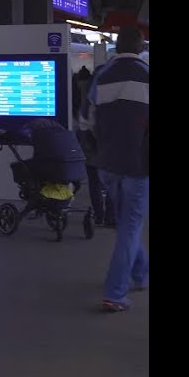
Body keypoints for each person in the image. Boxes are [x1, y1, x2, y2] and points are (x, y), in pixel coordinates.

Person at [79, 27, 149, 313]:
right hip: (138, 164)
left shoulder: (102, 76)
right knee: (130, 227)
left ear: (116, 48)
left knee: (126, 224)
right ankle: (115, 293)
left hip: (107, 164)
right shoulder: (147, 75)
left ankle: (140, 274)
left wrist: (101, 147)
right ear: (141, 46)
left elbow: (84, 121)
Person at [73, 66, 114, 227]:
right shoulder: (111, 95)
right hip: (107, 145)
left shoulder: (88, 93)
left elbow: (83, 120)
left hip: (90, 143)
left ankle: (99, 216)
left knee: (94, 181)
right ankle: (111, 217)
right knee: (109, 182)